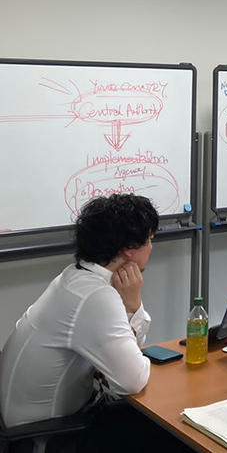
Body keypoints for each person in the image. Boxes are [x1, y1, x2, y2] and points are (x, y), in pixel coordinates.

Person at [0, 194, 187, 452]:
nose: (152, 248)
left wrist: (130, 311)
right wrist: (132, 305)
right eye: (150, 240)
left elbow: (125, 357)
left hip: (35, 420)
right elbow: (132, 380)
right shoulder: (95, 297)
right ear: (129, 250)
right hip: (51, 435)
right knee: (176, 430)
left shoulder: (76, 277)